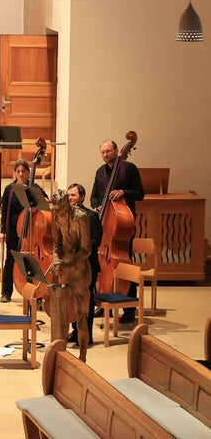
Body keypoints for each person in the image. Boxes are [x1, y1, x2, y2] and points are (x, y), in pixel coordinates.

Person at [90, 138, 144, 322]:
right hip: (105, 223)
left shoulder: (129, 169)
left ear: (116, 151)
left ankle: (128, 308)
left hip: (123, 224)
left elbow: (140, 193)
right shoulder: (100, 172)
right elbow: (94, 197)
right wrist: (97, 206)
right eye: (102, 152)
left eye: (108, 151)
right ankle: (106, 301)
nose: (105, 155)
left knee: (124, 264)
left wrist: (124, 192)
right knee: (103, 264)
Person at [46, 184, 93, 361]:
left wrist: (70, 263)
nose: (59, 213)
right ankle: (61, 354)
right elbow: (56, 243)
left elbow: (86, 249)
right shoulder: (55, 213)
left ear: (68, 204)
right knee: (61, 313)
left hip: (80, 269)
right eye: (56, 210)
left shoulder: (80, 217)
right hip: (65, 268)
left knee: (82, 315)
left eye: (62, 209)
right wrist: (57, 260)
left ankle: (83, 355)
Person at [67, 183, 102, 347]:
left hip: (87, 265)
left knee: (86, 300)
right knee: (73, 298)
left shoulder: (91, 216)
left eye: (73, 195)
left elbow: (96, 240)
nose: (70, 198)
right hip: (71, 265)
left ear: (82, 197)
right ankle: (75, 331)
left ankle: (86, 336)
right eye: (68, 195)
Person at [0, 159, 30, 302]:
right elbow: (4, 211)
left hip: (29, 232)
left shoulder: (33, 187)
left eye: (23, 171)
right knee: (9, 260)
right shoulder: (9, 189)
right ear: (15, 173)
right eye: (18, 171)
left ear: (28, 172)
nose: (21, 174)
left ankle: (33, 293)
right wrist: (2, 230)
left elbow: (44, 202)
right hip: (12, 230)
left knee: (30, 262)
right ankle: (6, 292)